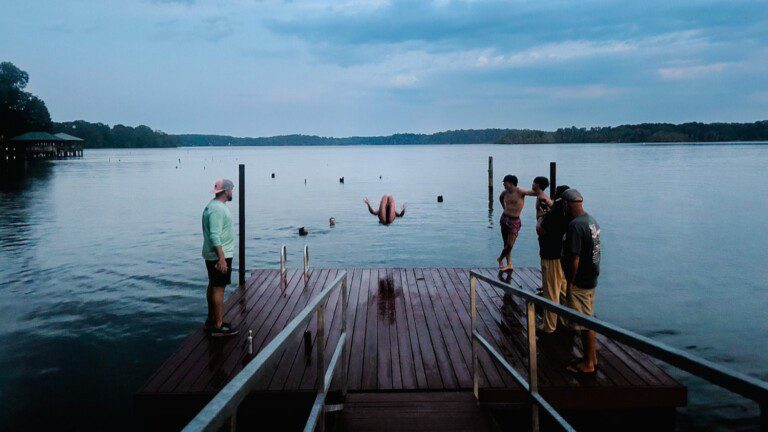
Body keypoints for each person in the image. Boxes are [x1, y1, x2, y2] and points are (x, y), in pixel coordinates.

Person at [562, 189, 601, 376]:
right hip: (592, 277)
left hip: (580, 281)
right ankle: (591, 357)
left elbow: (574, 258)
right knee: (589, 318)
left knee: (585, 324)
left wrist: (570, 281)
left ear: (566, 205)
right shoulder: (591, 221)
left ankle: (588, 363)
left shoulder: (575, 226)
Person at [201, 179, 239, 337]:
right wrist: (222, 258)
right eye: (231, 189)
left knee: (213, 285)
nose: (232, 192)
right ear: (226, 190)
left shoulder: (213, 206)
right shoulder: (217, 209)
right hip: (219, 255)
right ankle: (218, 325)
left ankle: (211, 320)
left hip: (213, 254)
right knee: (218, 288)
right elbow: (215, 235)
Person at [536, 185, 570, 335]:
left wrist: (540, 215)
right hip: (562, 257)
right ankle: (565, 320)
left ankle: (549, 325)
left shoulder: (553, 215)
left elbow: (540, 229)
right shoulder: (567, 214)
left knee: (550, 291)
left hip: (550, 257)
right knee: (562, 290)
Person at [498, 175, 536, 271]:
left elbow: (534, 193)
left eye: (505, 183)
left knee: (510, 245)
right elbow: (500, 198)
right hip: (504, 218)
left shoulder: (520, 192)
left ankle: (500, 258)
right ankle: (509, 264)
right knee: (505, 243)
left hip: (514, 220)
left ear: (510, 183)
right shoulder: (505, 192)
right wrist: (504, 208)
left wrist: (544, 196)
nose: (503, 185)